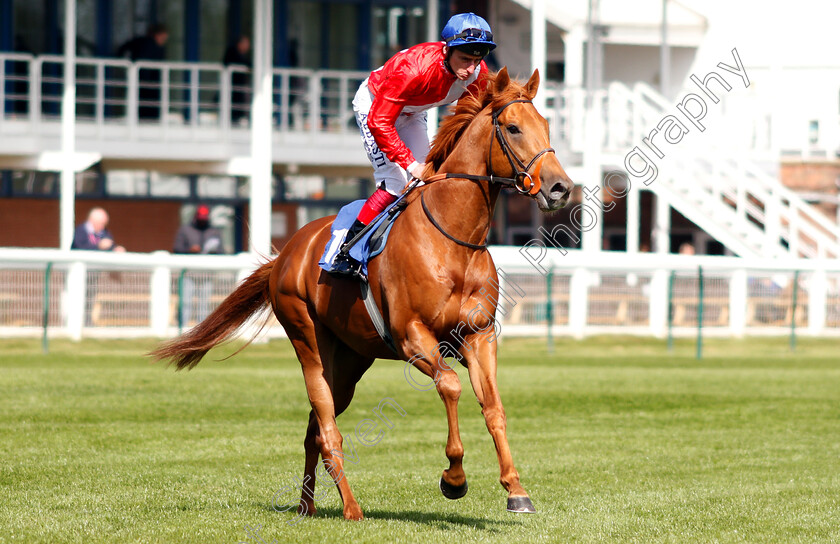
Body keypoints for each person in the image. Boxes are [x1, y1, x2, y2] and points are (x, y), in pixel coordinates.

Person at [330, 12, 496, 275]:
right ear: (447, 49)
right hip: (375, 108)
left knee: (429, 180)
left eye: (477, 60)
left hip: (412, 112)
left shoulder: (477, 74)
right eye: (465, 59)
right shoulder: (414, 69)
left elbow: (464, 122)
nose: (471, 69)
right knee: (395, 182)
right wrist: (409, 163)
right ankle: (347, 251)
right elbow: (380, 122)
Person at [173, 205, 225, 326]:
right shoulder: (185, 230)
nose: (203, 219)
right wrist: (189, 250)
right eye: (201, 216)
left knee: (204, 303)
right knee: (185, 302)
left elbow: (221, 251)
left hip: (207, 273)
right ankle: (182, 328)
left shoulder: (214, 231)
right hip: (188, 272)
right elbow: (177, 248)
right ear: (196, 216)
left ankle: (201, 330)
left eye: (205, 216)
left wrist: (214, 252)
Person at [117, 23, 169, 120]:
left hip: (142, 82)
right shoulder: (150, 45)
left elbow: (122, 49)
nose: (164, 41)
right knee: (148, 108)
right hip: (147, 84)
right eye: (163, 38)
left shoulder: (140, 42)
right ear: (157, 35)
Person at [223, 36, 252, 124]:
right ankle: (233, 120)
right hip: (232, 85)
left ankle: (237, 119)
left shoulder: (240, 54)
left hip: (238, 86)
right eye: (246, 45)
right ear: (240, 44)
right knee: (233, 104)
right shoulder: (232, 52)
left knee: (239, 103)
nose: (247, 47)